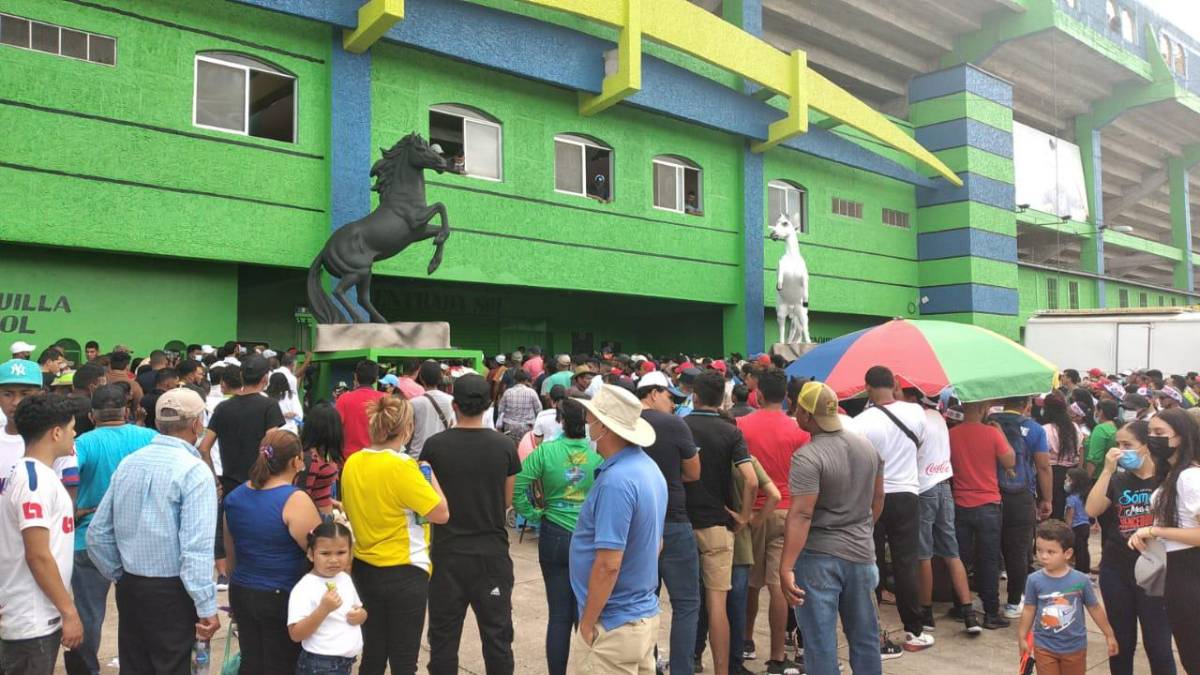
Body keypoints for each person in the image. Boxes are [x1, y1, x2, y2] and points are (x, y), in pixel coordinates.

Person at [87, 388, 221, 673]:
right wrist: (206, 604)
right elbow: (195, 549)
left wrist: (120, 574)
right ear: (197, 424)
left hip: (131, 584)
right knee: (172, 665)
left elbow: (96, 534)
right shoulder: (194, 471)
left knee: (135, 665)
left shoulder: (130, 463)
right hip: (172, 591)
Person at [780, 381, 884, 675]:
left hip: (818, 558)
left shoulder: (808, 457)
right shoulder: (866, 447)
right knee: (865, 637)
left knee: (820, 643)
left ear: (806, 414)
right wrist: (861, 531)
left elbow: (801, 514)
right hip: (862, 556)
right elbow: (878, 498)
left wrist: (786, 566)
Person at [420, 374, 520, 674]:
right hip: (491, 553)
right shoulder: (504, 446)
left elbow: (429, 501)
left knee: (443, 637)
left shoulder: (434, 446)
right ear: (489, 405)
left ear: (454, 405)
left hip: (447, 552)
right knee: (498, 636)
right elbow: (506, 501)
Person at [341, 396, 448, 675]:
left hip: (364, 566)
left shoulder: (352, 462)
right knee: (403, 660)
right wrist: (429, 473)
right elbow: (440, 513)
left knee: (373, 655)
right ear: (407, 428)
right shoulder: (402, 466)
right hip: (404, 570)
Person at [571, 384, 667, 673]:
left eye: (591, 421)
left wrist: (588, 624)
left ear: (605, 427)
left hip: (614, 624)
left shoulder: (617, 482)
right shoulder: (648, 469)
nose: (588, 426)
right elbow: (656, 543)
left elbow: (608, 564)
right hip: (640, 615)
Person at [68, 385, 157, 675]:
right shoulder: (151, 439)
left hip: (88, 539)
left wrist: (77, 511)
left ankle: (86, 670)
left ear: (92, 415)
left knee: (89, 614)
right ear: (127, 411)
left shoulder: (82, 444)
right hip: (141, 540)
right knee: (141, 613)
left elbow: (62, 483)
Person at [512, 398, 602, 675]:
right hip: (589, 537)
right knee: (587, 613)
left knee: (559, 614)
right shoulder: (597, 452)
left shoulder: (545, 452)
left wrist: (535, 513)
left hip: (554, 534)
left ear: (560, 420)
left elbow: (518, 486)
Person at [223, 428, 322, 674]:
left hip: (243, 590)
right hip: (281, 595)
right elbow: (319, 552)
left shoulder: (235, 497)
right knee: (283, 665)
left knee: (252, 663)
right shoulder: (294, 499)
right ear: (296, 461)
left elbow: (231, 552)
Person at [1084, 420, 1176, 675]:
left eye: (1128, 445)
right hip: (1117, 570)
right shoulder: (1117, 480)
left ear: (1146, 446)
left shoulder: (1166, 477)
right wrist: (1106, 471)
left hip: (1155, 572)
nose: (1121, 451)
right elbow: (1091, 510)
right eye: (1118, 445)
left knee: (1158, 646)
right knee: (1121, 644)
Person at [849, 366, 931, 651]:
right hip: (908, 494)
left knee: (871, 563)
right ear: (895, 384)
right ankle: (914, 631)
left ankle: (873, 632)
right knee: (906, 562)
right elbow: (920, 445)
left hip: (873, 498)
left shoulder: (860, 423)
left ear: (867, 388)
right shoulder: (917, 413)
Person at [0, 394, 82, 674]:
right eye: (71, 427)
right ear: (56, 432)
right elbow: (37, 554)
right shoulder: (33, 482)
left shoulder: (32, 475)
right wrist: (68, 611)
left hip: (34, 611)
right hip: (31, 617)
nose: (75, 433)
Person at [735, 367, 808, 672]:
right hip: (788, 511)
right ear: (788, 399)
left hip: (752, 512)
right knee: (779, 584)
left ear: (759, 394)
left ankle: (746, 640)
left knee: (750, 582)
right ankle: (778, 655)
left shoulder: (740, 425)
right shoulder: (799, 432)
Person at [683, 371, 756, 675]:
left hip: (682, 525)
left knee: (685, 604)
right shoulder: (731, 433)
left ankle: (685, 663)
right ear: (722, 399)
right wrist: (743, 516)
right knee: (717, 605)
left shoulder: (681, 426)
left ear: (695, 396)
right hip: (718, 525)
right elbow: (751, 481)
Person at [636, 369, 701, 675]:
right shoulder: (675, 425)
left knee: (641, 601)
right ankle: (682, 670)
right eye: (669, 396)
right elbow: (693, 472)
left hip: (637, 524)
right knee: (686, 603)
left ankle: (647, 664)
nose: (673, 404)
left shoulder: (625, 424)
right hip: (673, 519)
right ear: (652, 393)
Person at [1127, 408, 1200, 673]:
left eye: (1160, 433)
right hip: (1177, 570)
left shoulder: (1190, 477)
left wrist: (1155, 531)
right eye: (1150, 433)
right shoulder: (1172, 474)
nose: (1153, 438)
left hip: (1190, 572)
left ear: (1181, 437)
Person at [1017, 520, 1118, 675]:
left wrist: (1109, 634)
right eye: (1039, 550)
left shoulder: (1080, 580)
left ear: (1067, 553)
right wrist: (1022, 636)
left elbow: (1094, 608)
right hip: (1044, 646)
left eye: (1051, 552)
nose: (1043, 556)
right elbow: (1029, 609)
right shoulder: (1034, 580)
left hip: (1074, 647)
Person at [948, 400, 1015, 628]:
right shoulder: (992, 433)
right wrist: (1001, 434)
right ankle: (991, 613)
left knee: (960, 558)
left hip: (959, 503)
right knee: (988, 560)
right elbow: (1010, 461)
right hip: (988, 504)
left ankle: (960, 605)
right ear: (983, 409)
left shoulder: (952, 434)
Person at [991, 396, 1053, 619]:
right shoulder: (1034, 429)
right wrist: (1047, 499)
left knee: (989, 549)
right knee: (1017, 551)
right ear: (1026, 405)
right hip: (1021, 495)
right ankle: (1013, 602)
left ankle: (990, 603)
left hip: (989, 492)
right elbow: (1043, 466)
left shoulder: (988, 423)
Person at [199, 353, 285, 498]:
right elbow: (271, 447)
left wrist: (215, 481)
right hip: (260, 485)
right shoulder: (269, 406)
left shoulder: (222, 407)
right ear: (265, 378)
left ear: (241, 375)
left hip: (230, 486)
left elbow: (204, 448)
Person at [287, 521, 368, 675]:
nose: (333, 560)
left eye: (341, 552)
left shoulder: (344, 578)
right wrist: (323, 609)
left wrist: (361, 615)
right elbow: (296, 634)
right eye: (325, 553)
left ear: (351, 553)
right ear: (311, 554)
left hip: (345, 662)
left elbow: (359, 609)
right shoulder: (304, 587)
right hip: (320, 664)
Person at [0, 359, 78, 497]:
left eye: (25, 394)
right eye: (8, 394)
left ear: (41, 394)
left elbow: (68, 496)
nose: (16, 402)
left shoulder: (56, 439)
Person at [1043, 393, 1084, 520]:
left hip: (1052, 473)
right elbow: (1081, 449)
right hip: (1071, 472)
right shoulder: (1075, 427)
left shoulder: (1045, 429)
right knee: (1068, 510)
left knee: (1053, 510)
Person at [334, 360, 386, 458]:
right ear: (376, 379)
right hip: (377, 458)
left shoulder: (344, 399)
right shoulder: (385, 400)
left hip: (349, 459)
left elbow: (335, 430)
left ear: (356, 377)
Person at [300, 402, 343, 514]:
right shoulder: (311, 459)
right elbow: (303, 497)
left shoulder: (322, 453)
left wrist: (333, 503)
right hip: (316, 522)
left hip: (324, 516)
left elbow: (317, 491)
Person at [409, 360, 456, 459]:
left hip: (418, 455)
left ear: (421, 378)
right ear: (440, 377)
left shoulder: (414, 403)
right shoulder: (451, 400)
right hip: (442, 455)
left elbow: (409, 431)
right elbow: (452, 425)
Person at [497, 368, 542, 444]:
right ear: (526, 379)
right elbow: (539, 410)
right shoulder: (532, 392)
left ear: (514, 379)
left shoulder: (508, 392)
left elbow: (500, 410)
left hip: (510, 428)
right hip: (527, 427)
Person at [1062, 467, 1093, 576]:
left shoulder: (1071, 498)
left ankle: (1080, 572)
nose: (1066, 482)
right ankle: (1086, 570)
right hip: (1086, 525)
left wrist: (1067, 528)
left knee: (1079, 550)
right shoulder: (1085, 497)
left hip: (1076, 527)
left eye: (1068, 479)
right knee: (1084, 548)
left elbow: (1070, 515)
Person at [67, 362, 107, 436]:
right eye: (103, 386)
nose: (106, 390)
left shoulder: (60, 402)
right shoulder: (93, 408)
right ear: (92, 387)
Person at [1085, 400, 1120, 478]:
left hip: (1097, 476)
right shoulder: (1115, 427)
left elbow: (1094, 458)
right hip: (1110, 475)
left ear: (1100, 412)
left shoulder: (1101, 429)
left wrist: (1086, 480)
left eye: (1096, 410)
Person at [140, 367, 180, 431]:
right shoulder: (168, 401)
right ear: (168, 384)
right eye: (176, 384)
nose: (177, 387)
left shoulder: (144, 398)